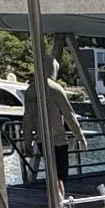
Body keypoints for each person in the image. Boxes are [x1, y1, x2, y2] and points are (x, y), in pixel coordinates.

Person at [22, 55, 86, 186]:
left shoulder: (31, 90)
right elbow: (69, 116)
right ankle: (59, 200)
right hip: (58, 141)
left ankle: (54, 196)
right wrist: (80, 136)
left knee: (51, 172)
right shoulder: (56, 89)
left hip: (42, 141)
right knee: (61, 176)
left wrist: (27, 142)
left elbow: (27, 119)